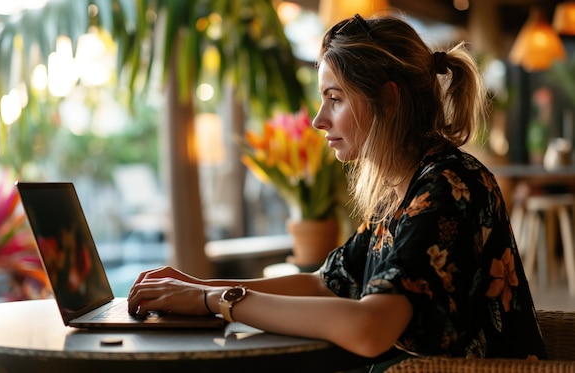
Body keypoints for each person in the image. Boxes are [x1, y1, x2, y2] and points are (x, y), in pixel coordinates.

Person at [127, 13, 546, 371]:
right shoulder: (401, 190)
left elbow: (370, 328)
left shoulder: (449, 186)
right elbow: (323, 284)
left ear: (388, 99)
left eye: (335, 99)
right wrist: (196, 286)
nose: (318, 120)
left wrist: (215, 300)